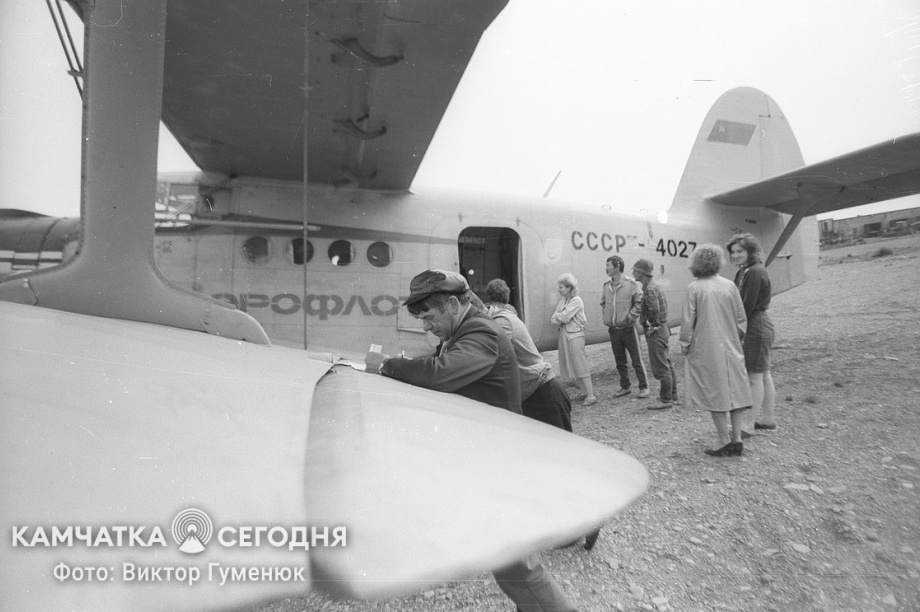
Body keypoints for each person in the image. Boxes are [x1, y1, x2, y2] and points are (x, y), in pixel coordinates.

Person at [365, 269, 579, 612]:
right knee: (512, 565)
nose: (425, 326)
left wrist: (388, 366)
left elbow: (441, 371)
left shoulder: (481, 331)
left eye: (429, 317)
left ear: (453, 304)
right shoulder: (466, 328)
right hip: (487, 461)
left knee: (518, 568)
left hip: (497, 465)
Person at [679, 245, 753, 457]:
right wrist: (736, 337)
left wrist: (685, 344)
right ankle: (737, 438)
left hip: (707, 346)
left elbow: (687, 321)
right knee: (736, 390)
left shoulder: (694, 288)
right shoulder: (730, 285)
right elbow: (741, 318)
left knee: (714, 391)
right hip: (731, 345)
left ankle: (723, 439)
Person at [477, 283, 572, 431]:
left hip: (543, 394)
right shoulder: (495, 319)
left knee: (561, 450)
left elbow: (482, 361)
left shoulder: (501, 322)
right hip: (529, 395)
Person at [727, 233, 777, 434]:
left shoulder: (754, 272)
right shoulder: (744, 272)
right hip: (756, 324)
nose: (736, 255)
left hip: (755, 325)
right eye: (733, 252)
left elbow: (745, 305)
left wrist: (735, 330)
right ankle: (767, 418)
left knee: (754, 377)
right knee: (763, 374)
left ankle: (748, 424)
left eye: (740, 251)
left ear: (751, 251)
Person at [600, 255, 649, 399]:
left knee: (636, 359)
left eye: (608, 265)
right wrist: (607, 317)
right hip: (614, 330)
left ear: (617, 266)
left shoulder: (630, 284)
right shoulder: (606, 286)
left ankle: (644, 387)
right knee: (619, 361)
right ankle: (625, 386)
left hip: (628, 329)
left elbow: (639, 302)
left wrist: (630, 318)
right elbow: (603, 304)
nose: (606, 268)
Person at [631, 259, 677, 410]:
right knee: (667, 363)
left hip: (656, 330)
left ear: (643, 273)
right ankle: (672, 395)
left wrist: (653, 326)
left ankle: (665, 399)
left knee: (661, 367)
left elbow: (654, 310)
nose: (633, 273)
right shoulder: (654, 285)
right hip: (663, 328)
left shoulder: (649, 289)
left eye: (636, 271)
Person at [550, 273, 597, 406]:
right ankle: (584, 392)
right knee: (574, 364)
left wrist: (560, 316)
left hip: (575, 335)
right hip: (566, 334)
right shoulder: (562, 302)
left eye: (562, 287)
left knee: (580, 363)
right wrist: (561, 316)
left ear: (569, 288)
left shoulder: (576, 300)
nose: (559, 290)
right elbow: (553, 319)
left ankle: (591, 396)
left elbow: (562, 318)